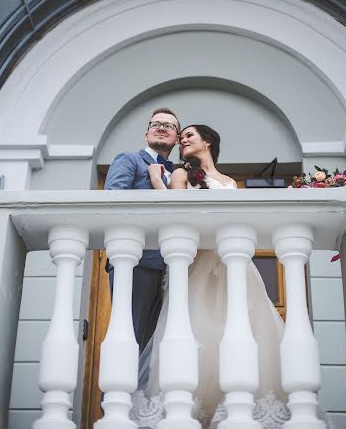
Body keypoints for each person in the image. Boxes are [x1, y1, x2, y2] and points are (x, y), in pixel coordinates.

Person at [132, 125, 332, 429]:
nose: (183, 140)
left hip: (232, 267)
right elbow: (174, 214)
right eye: (181, 136)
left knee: (242, 333)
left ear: (208, 141)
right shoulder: (181, 175)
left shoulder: (229, 182)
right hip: (197, 268)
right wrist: (157, 181)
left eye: (189, 135)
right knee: (197, 335)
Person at [104, 107, 180, 352]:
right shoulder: (129, 159)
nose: (161, 127)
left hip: (168, 267)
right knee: (129, 337)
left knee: (152, 345)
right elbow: (112, 201)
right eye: (156, 123)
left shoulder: (176, 174)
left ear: (177, 138)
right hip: (136, 262)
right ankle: (116, 392)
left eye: (169, 126)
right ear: (146, 134)